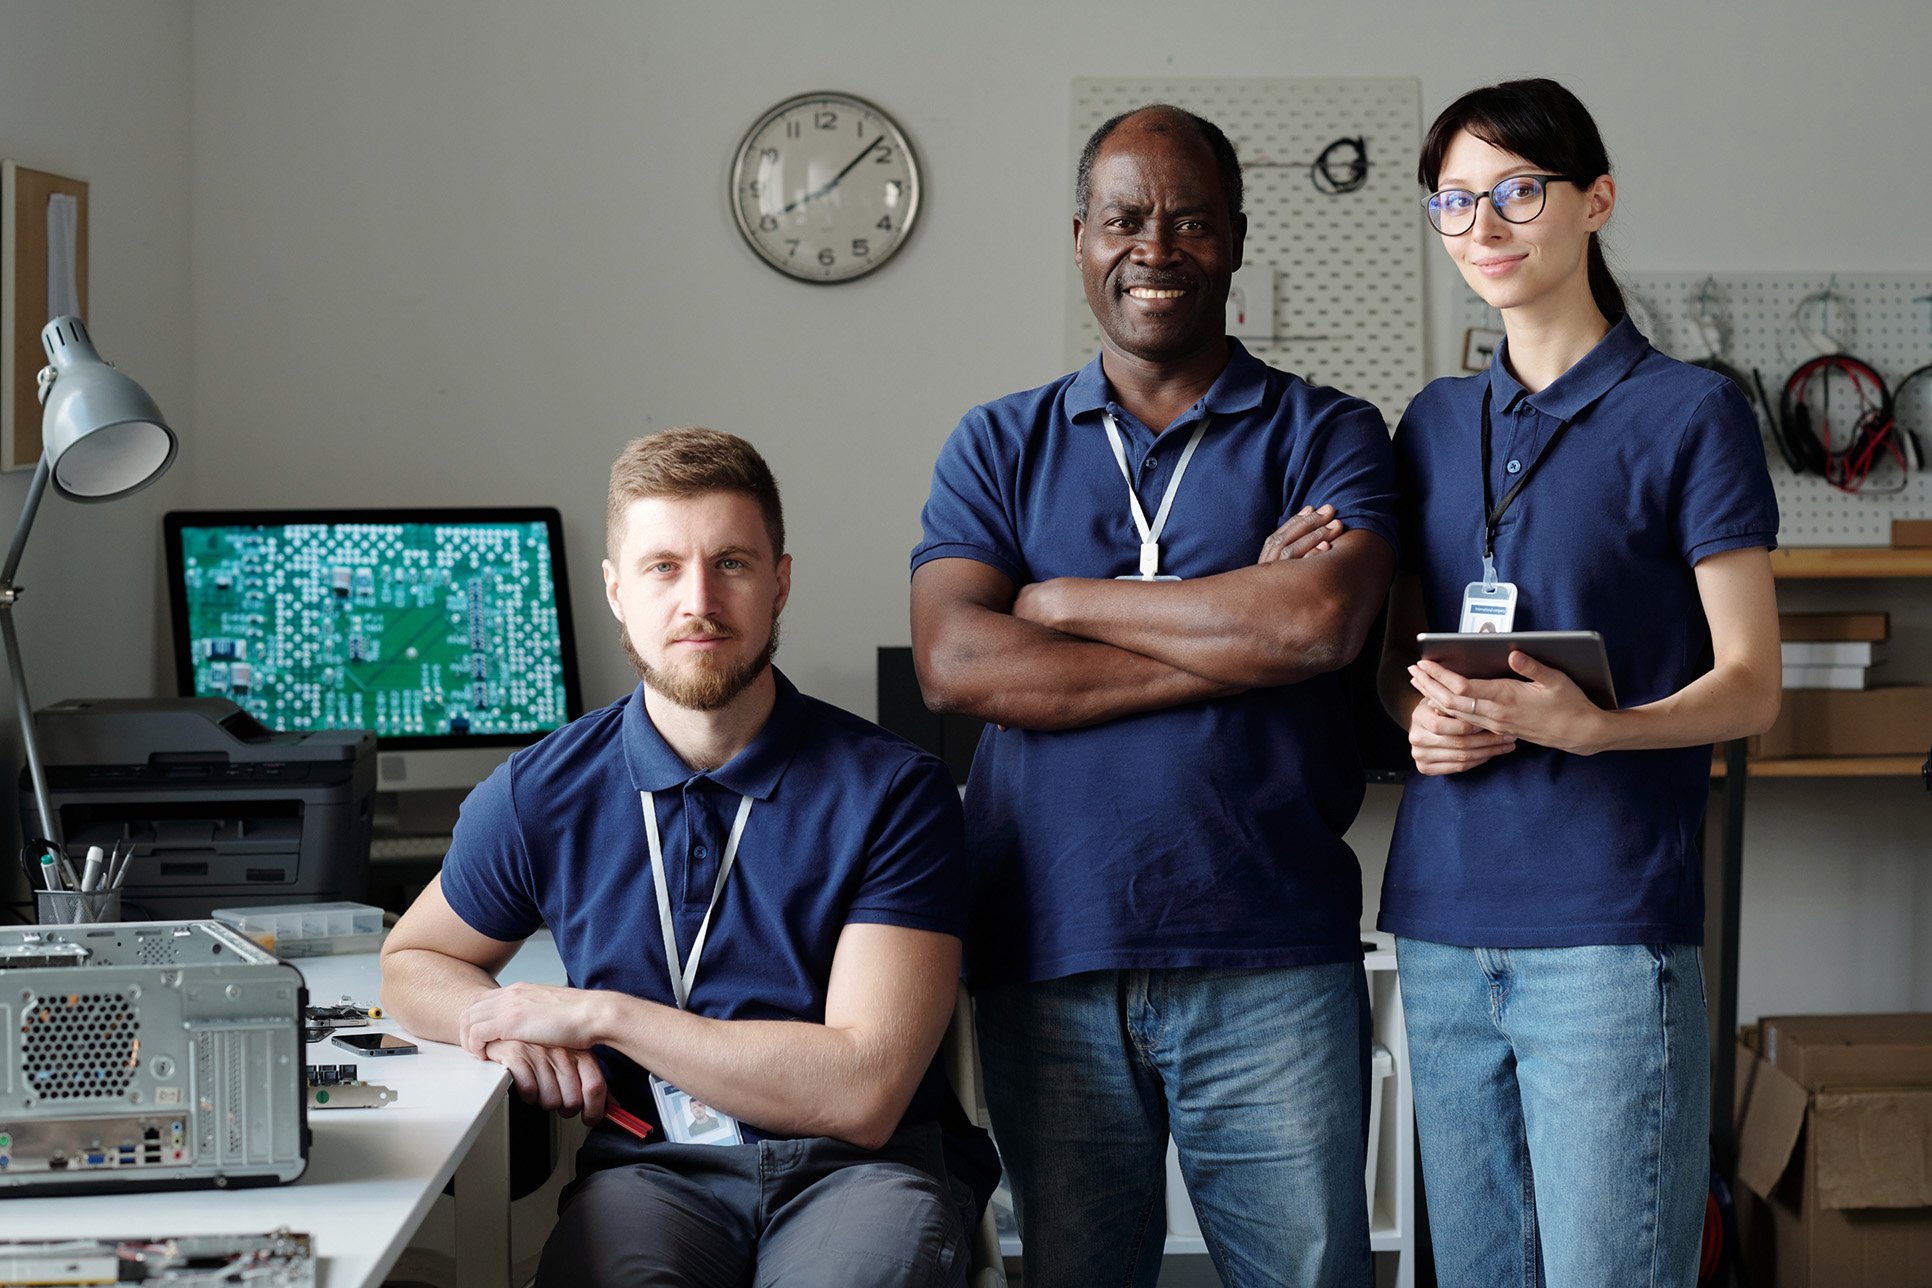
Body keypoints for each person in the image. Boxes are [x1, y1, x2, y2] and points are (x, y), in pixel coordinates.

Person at [911, 104, 1397, 1288]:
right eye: (1126, 219)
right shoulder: (998, 445)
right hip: (1049, 952)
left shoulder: (1328, 432)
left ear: (1233, 239)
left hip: (1270, 954)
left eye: (1189, 220)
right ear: (1080, 238)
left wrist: (1062, 599)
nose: (1156, 246)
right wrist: (1238, 626)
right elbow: (957, 664)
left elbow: (1319, 622)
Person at [381, 428, 993, 1288]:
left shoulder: (893, 792)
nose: (697, 599)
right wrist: (498, 1028)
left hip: (858, 1173)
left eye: (732, 563)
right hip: (652, 1172)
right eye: (663, 567)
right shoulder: (539, 792)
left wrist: (602, 1016)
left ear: (779, 582)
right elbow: (414, 958)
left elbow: (862, 1090)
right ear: (615, 591)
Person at [1377, 78, 1781, 1287]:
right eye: (1455, 201)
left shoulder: (1691, 413)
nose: (1484, 228)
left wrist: (1597, 728)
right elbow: (1400, 662)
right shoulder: (1432, 424)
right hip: (1442, 928)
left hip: (1608, 936)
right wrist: (1418, 724)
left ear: (1594, 201)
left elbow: (1753, 683)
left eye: (1517, 191)